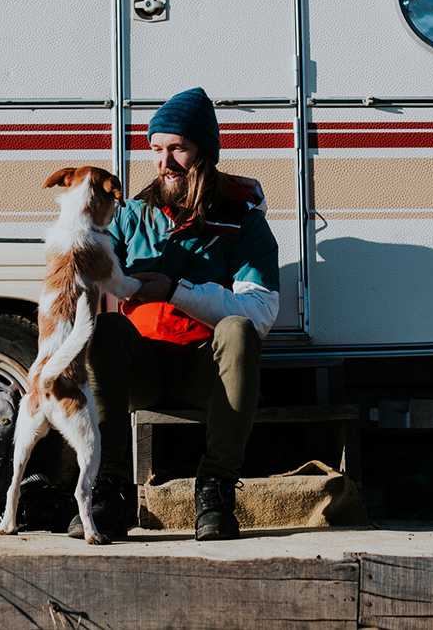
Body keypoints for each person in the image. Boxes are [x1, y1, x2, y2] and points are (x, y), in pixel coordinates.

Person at [68, 87, 280, 541]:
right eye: (156, 149)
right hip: (142, 368)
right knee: (104, 328)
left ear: (205, 151)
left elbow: (261, 311)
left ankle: (216, 490)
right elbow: (93, 281)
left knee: (240, 330)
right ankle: (111, 490)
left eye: (178, 149)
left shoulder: (241, 219)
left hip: (205, 369)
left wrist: (175, 290)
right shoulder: (130, 216)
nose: (164, 162)